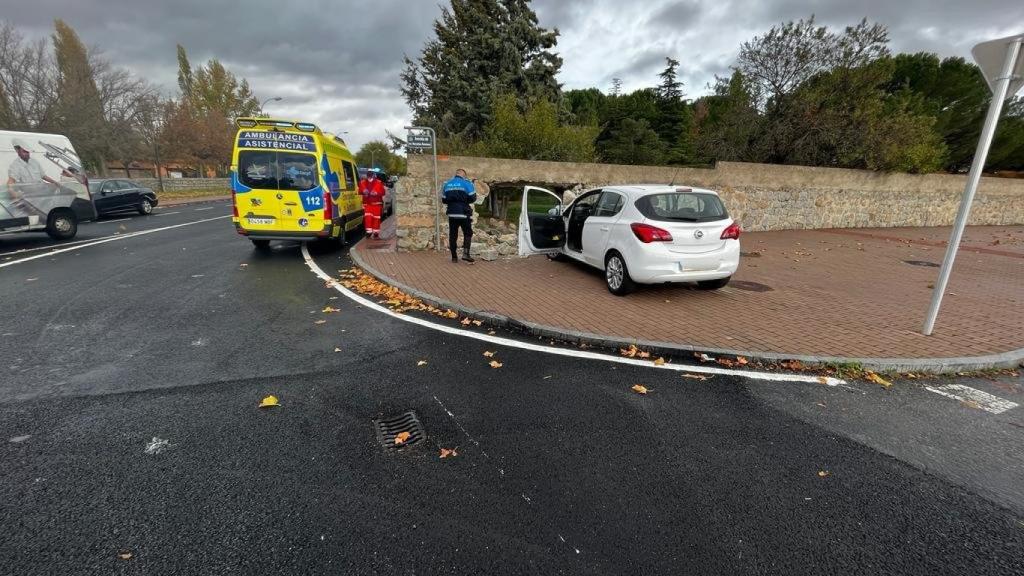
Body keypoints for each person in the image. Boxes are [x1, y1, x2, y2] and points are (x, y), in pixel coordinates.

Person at [441, 168, 476, 263]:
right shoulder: (466, 183)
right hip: (464, 213)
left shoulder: (447, 184)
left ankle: (454, 257)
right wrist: (464, 200)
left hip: (452, 213)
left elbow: (444, 200)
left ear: (456, 174)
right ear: (463, 175)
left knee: (453, 235)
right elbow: (473, 198)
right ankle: (466, 254)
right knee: (468, 233)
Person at [358, 169, 386, 238]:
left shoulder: (379, 183)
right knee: (368, 218)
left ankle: (375, 232)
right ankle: (369, 232)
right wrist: (363, 192)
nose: (370, 176)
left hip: (376, 204)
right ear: (367, 175)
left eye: (371, 174)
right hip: (367, 204)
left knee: (376, 218)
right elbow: (359, 191)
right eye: (369, 174)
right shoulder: (362, 182)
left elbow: (383, 192)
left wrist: (376, 193)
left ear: (373, 175)